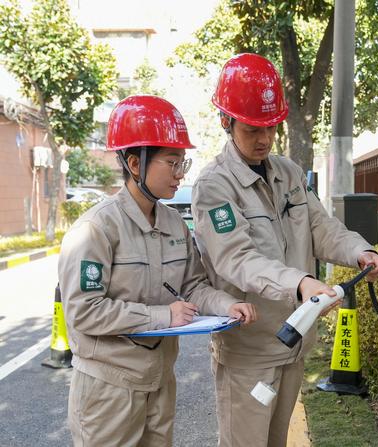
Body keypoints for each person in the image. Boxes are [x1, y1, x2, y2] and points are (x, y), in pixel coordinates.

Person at [192, 53, 378, 447]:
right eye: (252, 129)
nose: (264, 139)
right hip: (249, 351)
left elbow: (320, 227)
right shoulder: (214, 185)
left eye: (272, 127)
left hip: (294, 344)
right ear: (226, 122)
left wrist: (358, 250)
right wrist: (300, 283)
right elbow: (235, 258)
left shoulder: (289, 173)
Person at [58, 95, 257, 447]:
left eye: (183, 163)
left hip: (160, 382)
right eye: (171, 163)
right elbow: (84, 311)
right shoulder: (97, 229)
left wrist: (226, 304)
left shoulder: (172, 222)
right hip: (109, 390)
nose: (180, 174)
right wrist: (162, 315)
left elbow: (193, 285)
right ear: (135, 163)